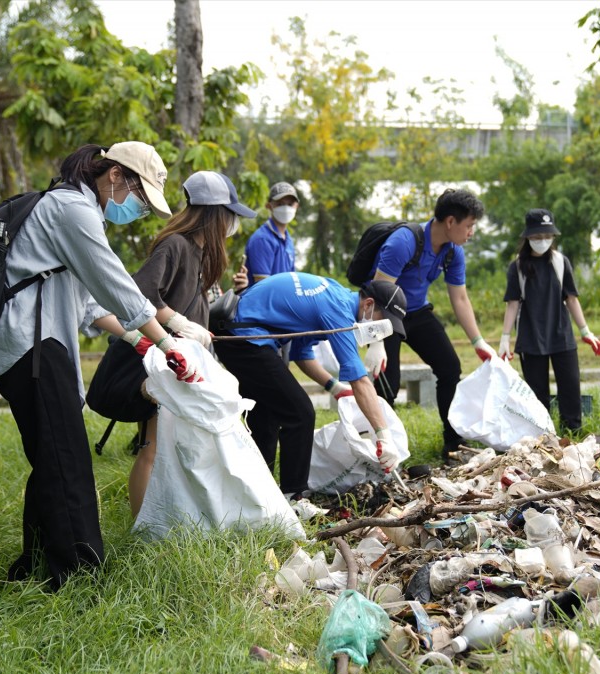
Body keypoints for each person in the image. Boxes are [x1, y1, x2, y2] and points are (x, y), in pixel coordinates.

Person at [0, 142, 200, 590]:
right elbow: (120, 288)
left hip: (35, 343)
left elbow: (90, 305)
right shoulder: (72, 210)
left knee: (51, 455)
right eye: (139, 194)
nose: (138, 208)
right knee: (67, 460)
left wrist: (137, 339)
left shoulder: (75, 211)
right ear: (114, 175)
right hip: (31, 344)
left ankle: (34, 565)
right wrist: (168, 342)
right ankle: (76, 575)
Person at [108, 171, 256, 518]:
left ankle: (176, 516)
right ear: (214, 213)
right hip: (157, 359)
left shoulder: (203, 254)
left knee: (177, 446)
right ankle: (141, 528)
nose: (233, 223)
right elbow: (138, 293)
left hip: (186, 362)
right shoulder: (175, 244)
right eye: (230, 214)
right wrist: (176, 322)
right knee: (152, 446)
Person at [213, 272, 407, 500]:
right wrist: (383, 436)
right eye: (380, 321)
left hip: (242, 335)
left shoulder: (336, 295)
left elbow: (301, 354)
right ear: (369, 304)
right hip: (241, 337)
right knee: (300, 413)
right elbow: (360, 380)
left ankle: (254, 494)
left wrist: (334, 387)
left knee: (267, 417)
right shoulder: (338, 310)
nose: (377, 332)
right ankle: (294, 496)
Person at [365, 188, 496, 462]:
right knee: (388, 383)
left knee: (450, 368)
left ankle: (453, 443)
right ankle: (378, 452)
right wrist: (376, 343)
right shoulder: (404, 242)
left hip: (417, 312)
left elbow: (459, 298)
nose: (471, 232)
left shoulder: (453, 251)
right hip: (386, 313)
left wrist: (478, 341)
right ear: (451, 222)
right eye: (469, 225)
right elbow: (378, 294)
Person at [497, 209, 600, 433]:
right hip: (531, 336)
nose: (542, 241)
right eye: (537, 237)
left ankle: (572, 434)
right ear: (527, 237)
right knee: (537, 393)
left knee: (570, 387)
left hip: (561, 334)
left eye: (547, 237)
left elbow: (572, 299)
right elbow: (512, 303)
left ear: (553, 237)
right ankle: (542, 435)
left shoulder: (560, 262)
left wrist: (585, 331)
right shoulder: (517, 267)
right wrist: (505, 339)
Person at [243, 181, 300, 286]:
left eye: (290, 204)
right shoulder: (262, 239)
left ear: (297, 206)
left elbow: (291, 281)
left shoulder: (289, 241)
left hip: (281, 300)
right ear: (269, 206)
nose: (286, 208)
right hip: (263, 301)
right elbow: (263, 287)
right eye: (280, 204)